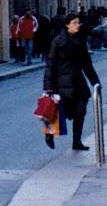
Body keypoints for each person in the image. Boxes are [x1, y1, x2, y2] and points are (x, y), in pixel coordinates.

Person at [42, 13, 102, 151]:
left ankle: (77, 141)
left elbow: (87, 64)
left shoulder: (81, 41)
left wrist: (95, 82)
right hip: (61, 83)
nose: (77, 25)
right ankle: (49, 134)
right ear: (67, 24)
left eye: (78, 22)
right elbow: (50, 64)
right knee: (56, 111)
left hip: (78, 82)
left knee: (80, 111)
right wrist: (48, 86)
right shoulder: (57, 41)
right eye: (74, 22)